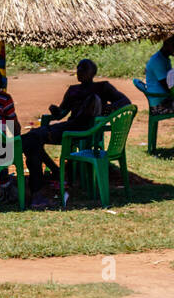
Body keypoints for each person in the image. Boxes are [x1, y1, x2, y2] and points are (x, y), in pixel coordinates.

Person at [23, 59, 129, 206]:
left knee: (30, 138)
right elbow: (61, 113)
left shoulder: (103, 88)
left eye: (84, 68)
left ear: (93, 72)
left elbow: (125, 101)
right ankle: (54, 170)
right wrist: (56, 111)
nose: (79, 70)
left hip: (86, 129)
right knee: (31, 138)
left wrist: (110, 108)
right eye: (78, 68)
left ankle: (52, 172)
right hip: (69, 127)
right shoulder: (73, 90)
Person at [144, 33, 174, 113]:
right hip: (160, 105)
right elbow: (168, 86)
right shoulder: (158, 61)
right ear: (167, 45)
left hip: (164, 99)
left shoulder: (164, 58)